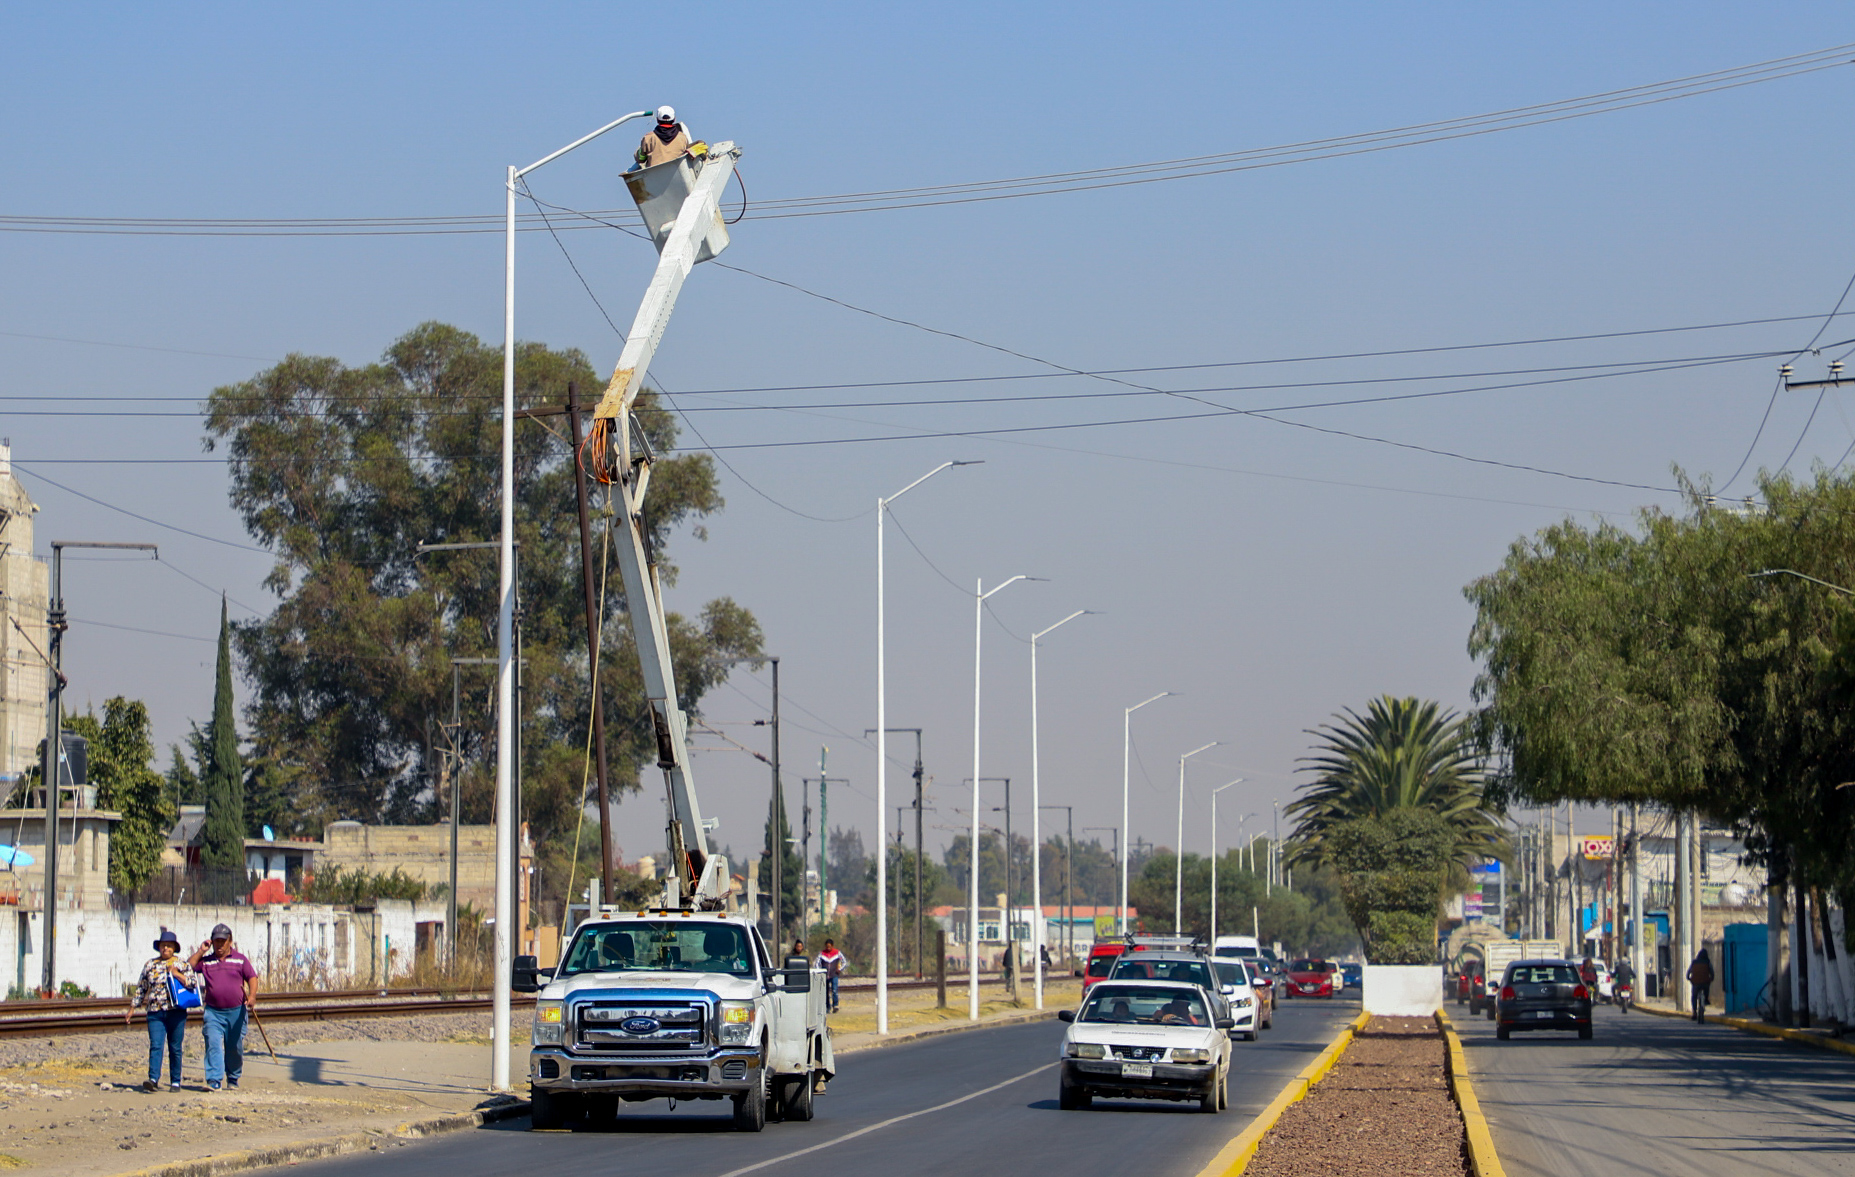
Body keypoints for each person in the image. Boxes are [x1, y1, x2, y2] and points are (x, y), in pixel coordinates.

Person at [189, 924, 259, 1091]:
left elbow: (252, 977)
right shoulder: (207, 962)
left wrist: (252, 996)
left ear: (230, 941)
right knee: (213, 1043)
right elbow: (189, 967)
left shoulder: (240, 959)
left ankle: (233, 1077)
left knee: (234, 1046)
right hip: (213, 1012)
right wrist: (201, 951)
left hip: (236, 1012)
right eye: (216, 941)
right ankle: (214, 1080)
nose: (219, 945)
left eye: (223, 941)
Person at [127, 927, 196, 1092]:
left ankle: (175, 1081)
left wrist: (177, 974)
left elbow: (193, 984)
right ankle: (153, 1078)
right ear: (159, 947)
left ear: (174, 948)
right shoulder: (150, 965)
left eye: (169, 946)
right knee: (156, 1044)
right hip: (155, 1011)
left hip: (176, 1011)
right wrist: (132, 1008)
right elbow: (142, 988)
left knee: (175, 1046)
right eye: (163, 945)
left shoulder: (182, 964)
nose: (166, 948)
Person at [634, 106, 693, 170]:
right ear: (674, 119)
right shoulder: (682, 138)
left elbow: (640, 159)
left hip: (654, 177)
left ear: (657, 120)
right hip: (677, 176)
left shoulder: (648, 138)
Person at [816, 939, 846, 1013]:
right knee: (825, 992)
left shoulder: (837, 953)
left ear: (832, 946)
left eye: (829, 946)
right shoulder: (822, 953)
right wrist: (819, 971)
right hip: (824, 975)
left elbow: (844, 962)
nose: (828, 948)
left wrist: (840, 969)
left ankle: (835, 1005)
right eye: (827, 946)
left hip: (834, 974)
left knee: (834, 990)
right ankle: (827, 1007)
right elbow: (816, 963)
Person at [1686, 949, 1714, 1022]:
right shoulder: (1707, 962)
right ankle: (1706, 1000)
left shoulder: (1694, 962)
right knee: (1706, 989)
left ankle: (1694, 1012)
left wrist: (1689, 978)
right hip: (1705, 982)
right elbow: (1712, 972)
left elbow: (1688, 972)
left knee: (1694, 996)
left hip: (1695, 983)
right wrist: (1711, 979)